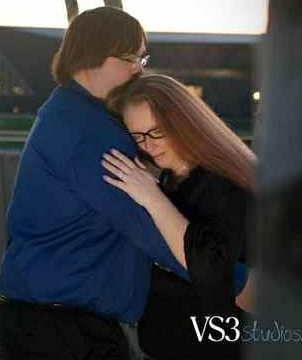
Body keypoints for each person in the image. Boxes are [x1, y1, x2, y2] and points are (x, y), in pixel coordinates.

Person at [0, 6, 234, 359]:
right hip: (63, 329)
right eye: (130, 58)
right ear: (91, 57)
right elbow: (151, 227)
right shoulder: (88, 134)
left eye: (142, 57)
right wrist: (242, 284)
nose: (140, 68)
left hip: (43, 316)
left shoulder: (67, 112)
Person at [102, 74, 255, 359]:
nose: (146, 144)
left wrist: (152, 198)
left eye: (155, 131)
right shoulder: (171, 181)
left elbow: (211, 269)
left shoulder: (223, 183)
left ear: (185, 121)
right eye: (137, 136)